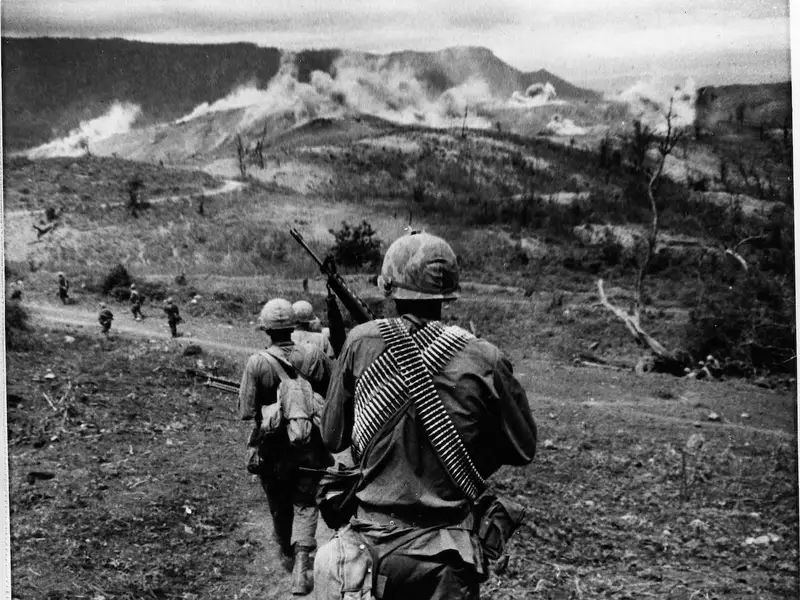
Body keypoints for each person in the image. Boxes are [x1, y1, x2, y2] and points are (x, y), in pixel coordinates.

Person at [316, 231, 537, 600]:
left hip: (371, 549)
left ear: (389, 286)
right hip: (447, 556)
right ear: (448, 292)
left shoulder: (359, 341)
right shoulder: (485, 357)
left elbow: (332, 436)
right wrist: (466, 456)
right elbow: (522, 448)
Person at [238, 299, 333, 595]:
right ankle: (303, 564)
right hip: (309, 445)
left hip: (273, 449)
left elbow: (246, 410)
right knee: (305, 502)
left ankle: (288, 553)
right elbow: (331, 393)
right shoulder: (314, 354)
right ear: (293, 326)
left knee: (279, 504)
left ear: (266, 329)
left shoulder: (257, 362)